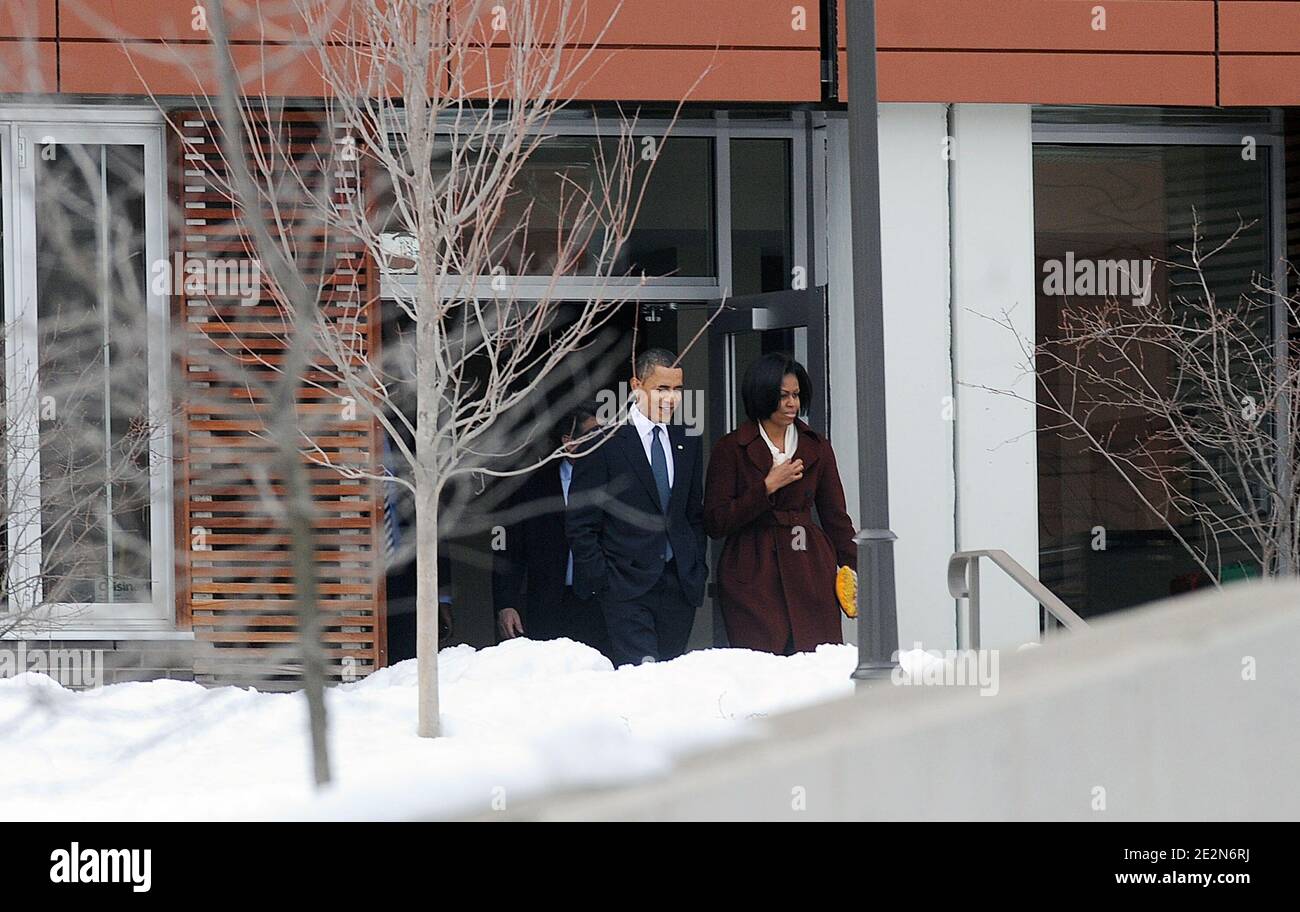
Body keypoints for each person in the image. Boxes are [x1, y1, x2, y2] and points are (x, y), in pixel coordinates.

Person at [704, 352, 857, 654]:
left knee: (815, 661)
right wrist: (767, 487)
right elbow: (715, 521)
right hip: (751, 567)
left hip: (810, 565)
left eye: (797, 395)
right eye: (783, 396)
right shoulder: (731, 447)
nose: (792, 404)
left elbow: (835, 515)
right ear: (762, 395)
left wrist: (853, 565)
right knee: (760, 665)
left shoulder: (817, 445)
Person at [566, 349, 707, 666]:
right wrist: (604, 581)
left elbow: (691, 514)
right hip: (625, 587)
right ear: (636, 386)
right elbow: (581, 523)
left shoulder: (688, 439)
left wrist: (695, 566)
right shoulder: (603, 442)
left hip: (678, 586)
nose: (671, 399)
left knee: (670, 676)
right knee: (642, 678)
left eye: (677, 390)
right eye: (662, 389)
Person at [491, 403, 612, 657]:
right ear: (569, 442)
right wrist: (507, 604)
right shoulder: (533, 486)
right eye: (593, 436)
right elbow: (509, 550)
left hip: (601, 604)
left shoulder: (615, 481)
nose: (602, 443)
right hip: (547, 604)